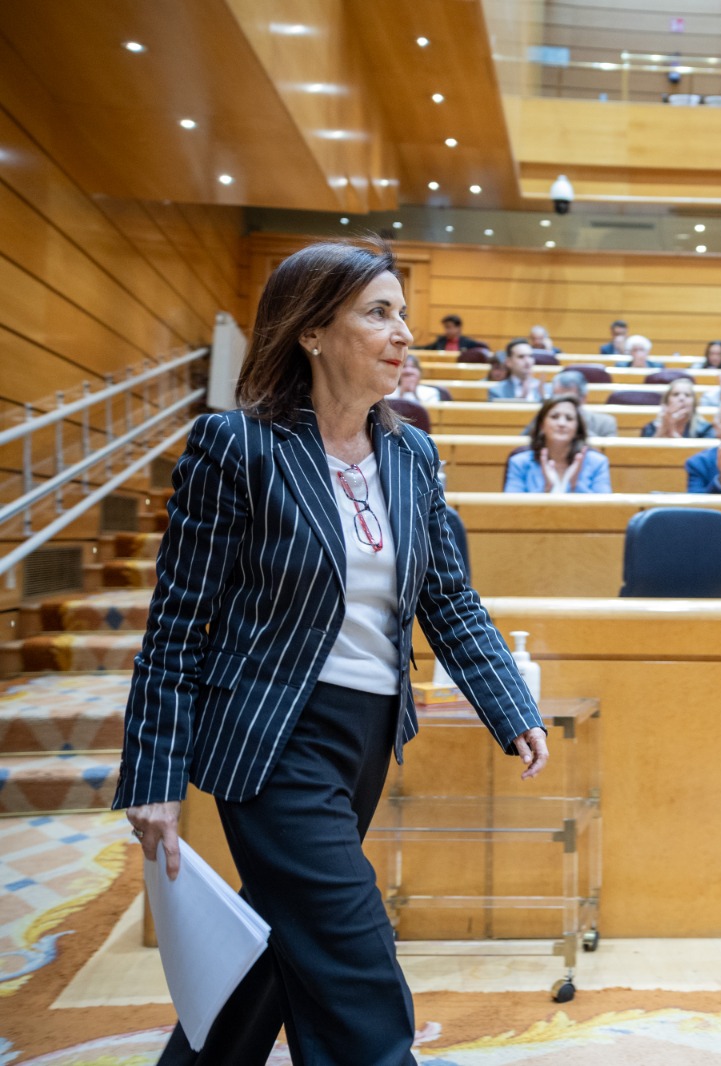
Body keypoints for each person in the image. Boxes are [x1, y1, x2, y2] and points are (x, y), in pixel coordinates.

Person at [114, 238, 548, 1065]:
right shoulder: (237, 447)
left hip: (367, 736)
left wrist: (508, 704)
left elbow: (445, 596)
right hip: (273, 739)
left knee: (284, 943)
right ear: (312, 331)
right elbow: (176, 624)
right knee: (355, 960)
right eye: (379, 313)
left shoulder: (413, 454)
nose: (404, 333)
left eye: (404, 314)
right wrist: (154, 776)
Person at [504, 396, 611, 493]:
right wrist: (546, 489)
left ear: (577, 428)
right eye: (554, 417)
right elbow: (512, 510)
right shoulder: (519, 463)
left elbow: (605, 511)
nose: (561, 423)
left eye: (569, 418)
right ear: (541, 425)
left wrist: (575, 486)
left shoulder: (597, 462)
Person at [549, 369, 618, 438]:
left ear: (583, 398)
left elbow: (607, 448)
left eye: (569, 400)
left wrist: (578, 429)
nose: (563, 404)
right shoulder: (544, 422)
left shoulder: (605, 423)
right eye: (557, 399)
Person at [641, 376, 715, 438]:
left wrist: (671, 430)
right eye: (676, 394)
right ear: (667, 401)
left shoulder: (705, 429)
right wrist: (662, 429)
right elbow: (644, 453)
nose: (682, 398)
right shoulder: (651, 427)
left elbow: (702, 454)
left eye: (687, 395)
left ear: (694, 403)